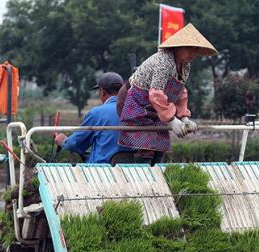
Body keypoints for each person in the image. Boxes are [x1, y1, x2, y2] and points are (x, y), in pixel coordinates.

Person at [117, 23, 216, 165]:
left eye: (196, 49)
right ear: (178, 47)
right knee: (146, 147)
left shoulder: (185, 66)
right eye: (189, 48)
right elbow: (156, 93)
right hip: (138, 100)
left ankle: (157, 180)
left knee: (159, 147)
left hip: (157, 105)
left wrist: (184, 118)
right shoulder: (164, 61)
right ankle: (143, 180)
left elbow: (180, 91)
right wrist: (171, 120)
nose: (193, 53)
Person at [54, 72, 131, 164]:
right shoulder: (135, 110)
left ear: (102, 92)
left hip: (100, 170)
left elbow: (75, 144)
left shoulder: (96, 113)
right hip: (134, 169)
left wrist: (63, 141)